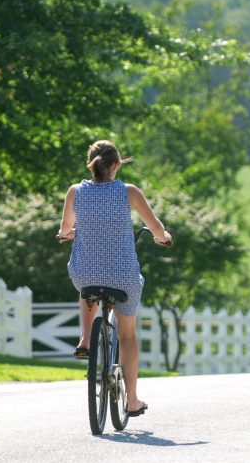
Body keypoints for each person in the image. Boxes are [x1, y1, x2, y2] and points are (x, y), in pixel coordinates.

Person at [57, 140, 170, 418]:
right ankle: (131, 400)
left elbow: (65, 227)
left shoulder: (76, 192)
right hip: (123, 276)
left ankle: (85, 339)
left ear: (90, 164)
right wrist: (162, 237)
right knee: (127, 335)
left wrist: (68, 234)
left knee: (86, 287)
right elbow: (154, 226)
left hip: (86, 271)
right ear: (116, 165)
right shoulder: (128, 192)